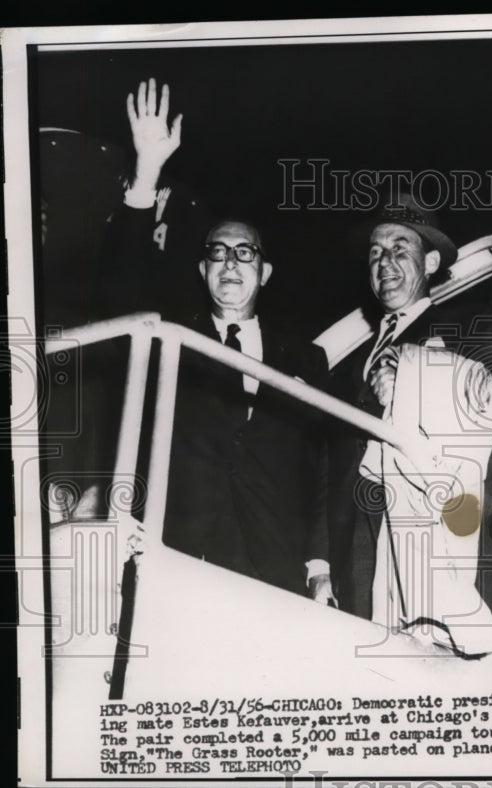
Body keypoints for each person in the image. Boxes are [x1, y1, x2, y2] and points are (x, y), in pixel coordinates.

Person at [100, 80, 327, 596]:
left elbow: (318, 472)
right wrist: (147, 172)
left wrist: (318, 567)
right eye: (218, 253)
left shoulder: (306, 359)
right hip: (179, 555)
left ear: (265, 273)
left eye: (245, 253)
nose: (230, 262)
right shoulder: (172, 339)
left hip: (272, 569)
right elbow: (119, 288)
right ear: (203, 271)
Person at [311, 194, 492, 652]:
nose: (385, 262)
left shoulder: (476, 326)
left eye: (400, 248)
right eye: (375, 252)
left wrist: (420, 380)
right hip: (359, 554)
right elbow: (328, 465)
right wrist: (319, 565)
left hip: (450, 543)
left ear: (431, 260)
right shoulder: (348, 363)